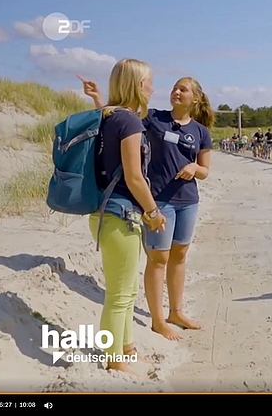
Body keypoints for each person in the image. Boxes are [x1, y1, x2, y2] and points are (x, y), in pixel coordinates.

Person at [83, 76, 214, 341]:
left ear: (195, 98)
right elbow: (117, 119)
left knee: (179, 256)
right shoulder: (152, 118)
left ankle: (176, 312)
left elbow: (205, 170)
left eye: (183, 89)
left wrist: (194, 168)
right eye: (175, 87)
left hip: (187, 201)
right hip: (157, 201)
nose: (176, 91)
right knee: (158, 259)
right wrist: (98, 100)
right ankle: (157, 320)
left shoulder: (201, 131)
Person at [83, 59, 165, 374]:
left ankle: (126, 349)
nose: (153, 87)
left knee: (127, 290)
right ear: (137, 85)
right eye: (149, 81)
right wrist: (153, 212)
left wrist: (96, 99)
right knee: (119, 294)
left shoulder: (110, 116)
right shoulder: (129, 122)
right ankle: (114, 359)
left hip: (108, 213)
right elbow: (134, 176)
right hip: (121, 214)